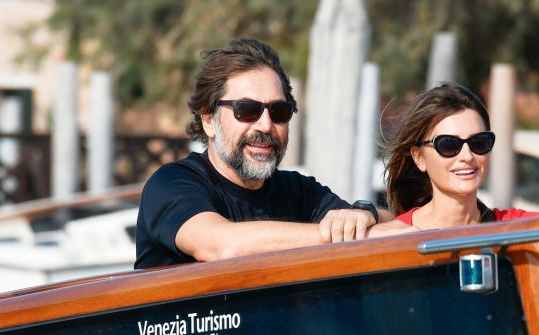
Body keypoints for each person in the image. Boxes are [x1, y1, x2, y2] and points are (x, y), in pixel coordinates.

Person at [135, 38, 378, 268]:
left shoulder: (298, 191)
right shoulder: (171, 184)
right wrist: (335, 234)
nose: (265, 125)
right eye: (247, 110)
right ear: (209, 121)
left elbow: (388, 229)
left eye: (279, 112)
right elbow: (223, 247)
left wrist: (364, 213)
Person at [370, 82, 539, 235]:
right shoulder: (394, 237)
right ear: (419, 157)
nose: (467, 156)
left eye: (479, 142)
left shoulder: (518, 230)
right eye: (448, 144)